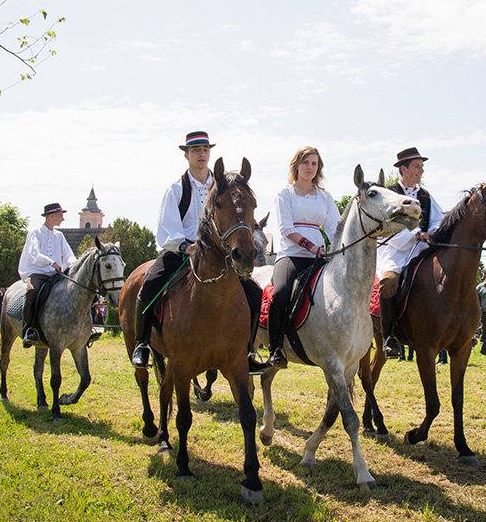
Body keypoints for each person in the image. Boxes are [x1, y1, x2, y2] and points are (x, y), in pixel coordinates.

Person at [131, 132, 267, 374]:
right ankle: (142, 343)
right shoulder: (176, 189)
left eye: (205, 149)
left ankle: (247, 352)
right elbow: (168, 226)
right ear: (187, 155)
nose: (201, 154)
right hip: (181, 251)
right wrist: (185, 246)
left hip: (218, 253)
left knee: (255, 294)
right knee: (149, 284)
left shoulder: (223, 186)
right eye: (196, 150)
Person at [267, 146, 340, 369]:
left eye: (314, 163)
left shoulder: (325, 197)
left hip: (319, 256)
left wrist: (340, 249)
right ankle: (275, 348)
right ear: (296, 165)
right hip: (292, 254)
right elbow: (286, 229)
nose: (310, 167)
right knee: (280, 293)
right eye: (306, 162)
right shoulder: (285, 193)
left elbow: (335, 228)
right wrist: (311, 247)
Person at [376, 147, 444, 359]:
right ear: (403, 169)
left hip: (422, 251)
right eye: (416, 167)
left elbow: (438, 221)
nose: (421, 171)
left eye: (422, 167)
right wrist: (414, 235)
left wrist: (431, 233)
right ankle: (389, 337)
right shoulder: (389, 194)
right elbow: (385, 227)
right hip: (395, 251)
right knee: (389, 283)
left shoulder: (426, 196)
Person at [18, 203, 77, 347]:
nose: (63, 219)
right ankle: (29, 329)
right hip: (37, 272)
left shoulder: (59, 236)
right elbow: (34, 255)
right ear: (51, 216)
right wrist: (51, 262)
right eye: (60, 216)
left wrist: (74, 265)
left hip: (54, 275)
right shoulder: (35, 233)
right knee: (32, 291)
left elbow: (69, 255)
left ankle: (79, 330)